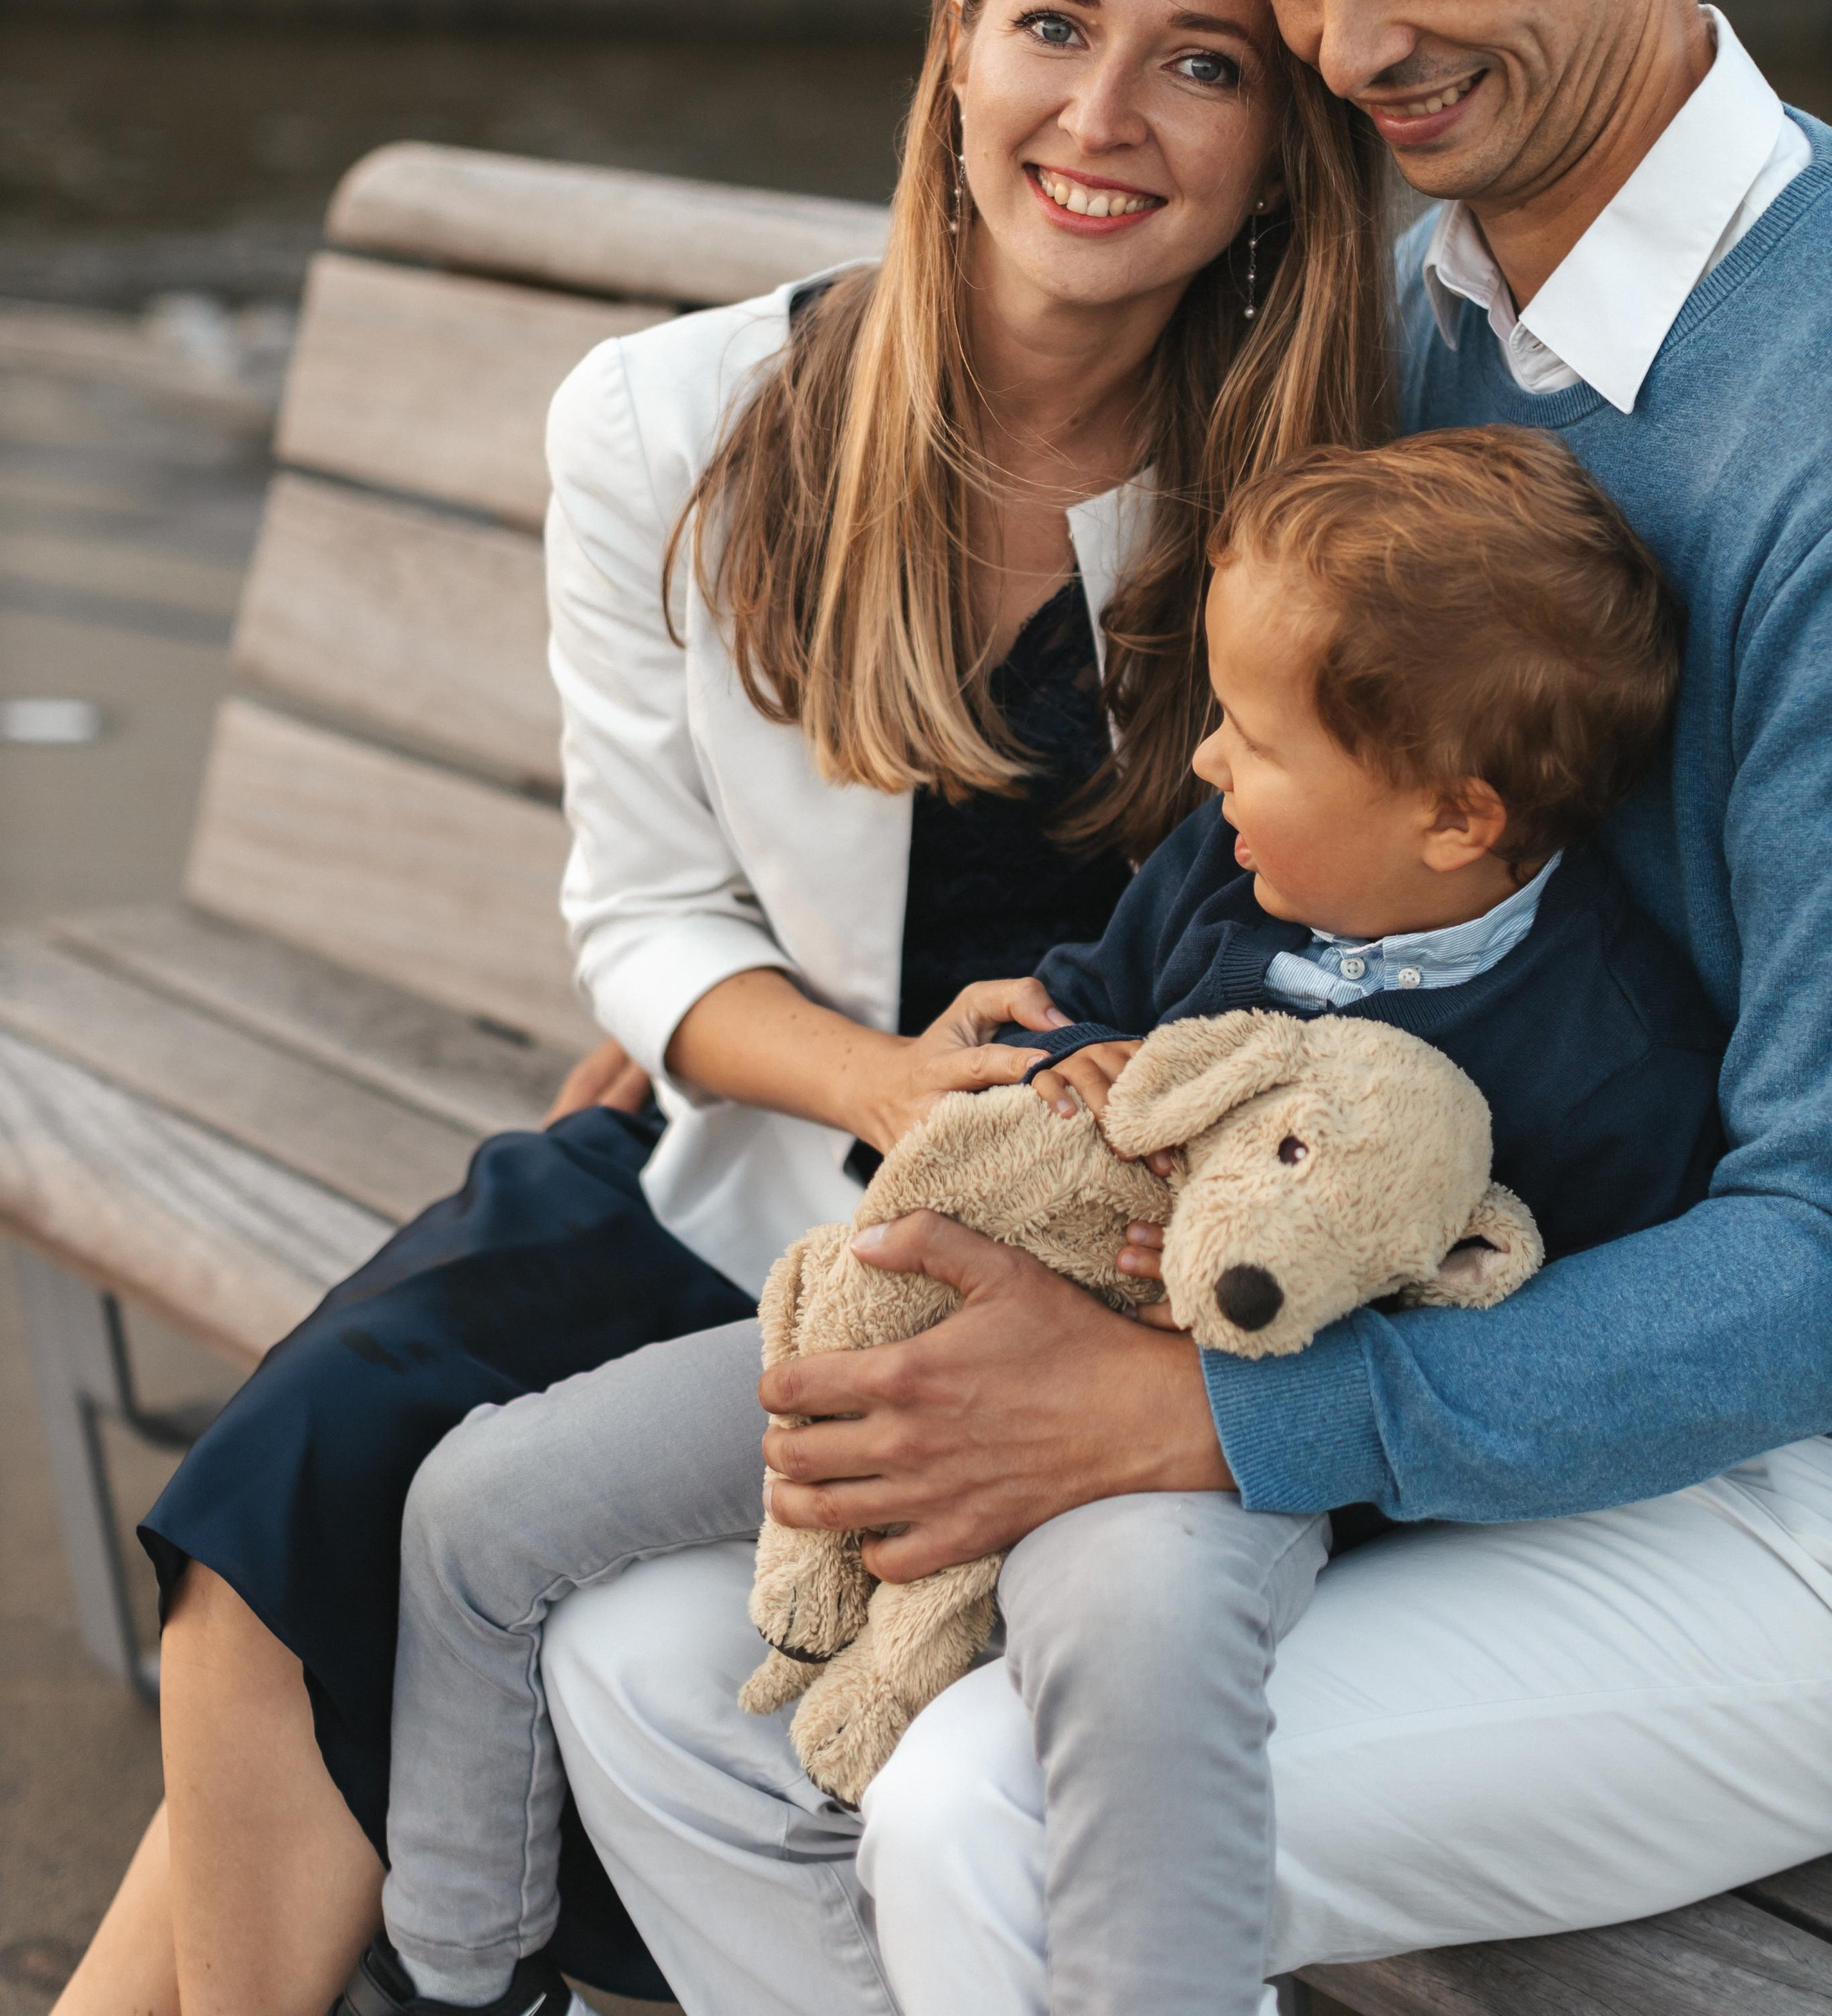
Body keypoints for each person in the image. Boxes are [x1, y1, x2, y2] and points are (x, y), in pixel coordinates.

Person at [537, 0, 1832, 2016]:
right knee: (646, 1689)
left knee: (977, 1802)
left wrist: (1199, 1423)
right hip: (1426, 1302)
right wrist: (747, 982)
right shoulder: (1414, 319)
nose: (1355, 52)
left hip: (1769, 1471)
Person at [54, 0, 1391, 2016]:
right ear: (958, 38)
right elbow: (652, 921)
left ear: (1275, 141)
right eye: (1056, 26)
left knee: (462, 1595)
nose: (1110, 114)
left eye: (1204, 63)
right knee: (271, 1548)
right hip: (737, 1165)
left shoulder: (1303, 477)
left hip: (1047, 1265)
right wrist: (852, 1065)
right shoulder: (682, 420)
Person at [354, 425, 1723, 2016]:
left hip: (1215, 1464)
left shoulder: (1613, 1056)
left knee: (1127, 1644)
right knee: (483, 1499)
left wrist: (1295, 1327)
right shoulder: (1227, 869)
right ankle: (456, 1971)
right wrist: (1066, 1071)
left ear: (1450, 818)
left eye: (1254, 740)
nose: (1205, 765)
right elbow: (1075, 1015)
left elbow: (1543, 1360)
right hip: (944, 1330)